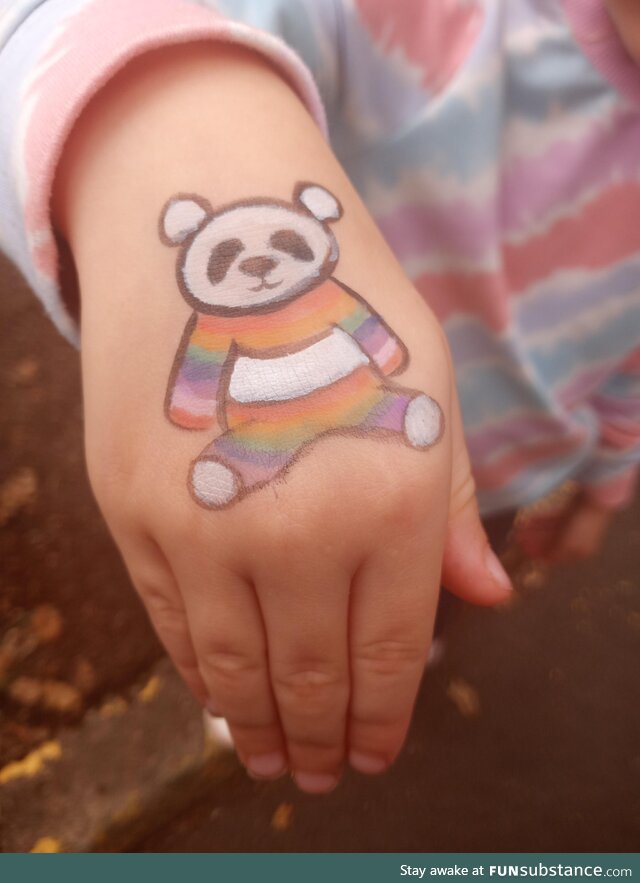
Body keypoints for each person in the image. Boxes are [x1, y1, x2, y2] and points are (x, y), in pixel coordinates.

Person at [0, 0, 638, 795]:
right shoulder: (420, 22)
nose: (262, 268)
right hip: (272, 433)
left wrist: (612, 463)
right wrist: (154, 115)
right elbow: (51, 21)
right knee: (284, 595)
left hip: (504, 470)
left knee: (432, 587)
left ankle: (417, 638)